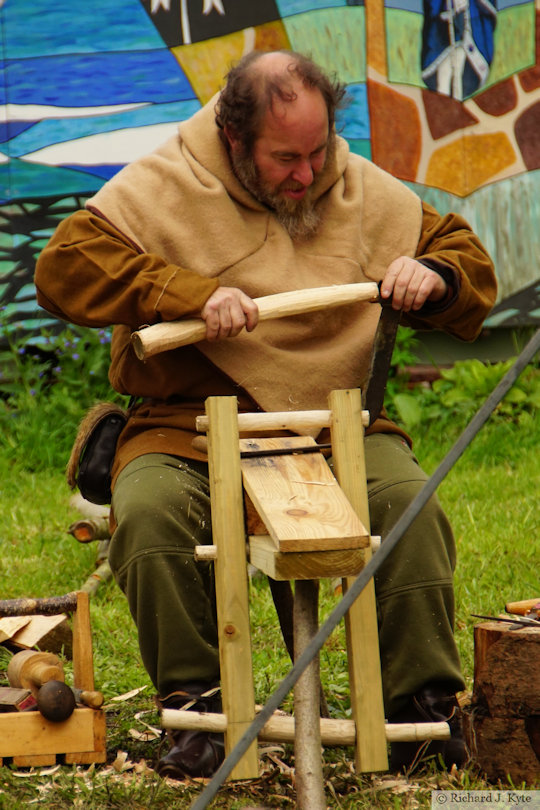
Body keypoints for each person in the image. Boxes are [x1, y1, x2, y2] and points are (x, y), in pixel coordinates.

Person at [35, 49, 497, 778]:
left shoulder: (352, 184)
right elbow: (64, 267)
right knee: (150, 514)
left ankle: (419, 713)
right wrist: (185, 291)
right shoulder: (169, 181)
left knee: (409, 504)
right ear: (234, 137)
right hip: (188, 424)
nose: (308, 175)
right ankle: (199, 711)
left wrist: (433, 274)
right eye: (286, 157)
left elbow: (464, 259)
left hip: (332, 423)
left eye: (318, 152)